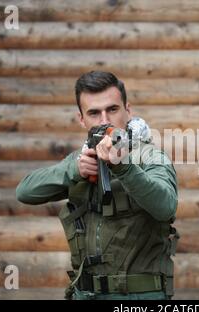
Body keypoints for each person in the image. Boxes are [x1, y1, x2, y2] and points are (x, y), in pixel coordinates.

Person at [16, 71, 179, 300]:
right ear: (81, 119)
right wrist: (73, 170)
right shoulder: (83, 159)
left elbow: (166, 206)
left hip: (138, 297)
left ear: (127, 110)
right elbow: (24, 192)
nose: (104, 121)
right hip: (85, 294)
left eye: (112, 109)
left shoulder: (150, 156)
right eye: (94, 113)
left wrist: (123, 167)